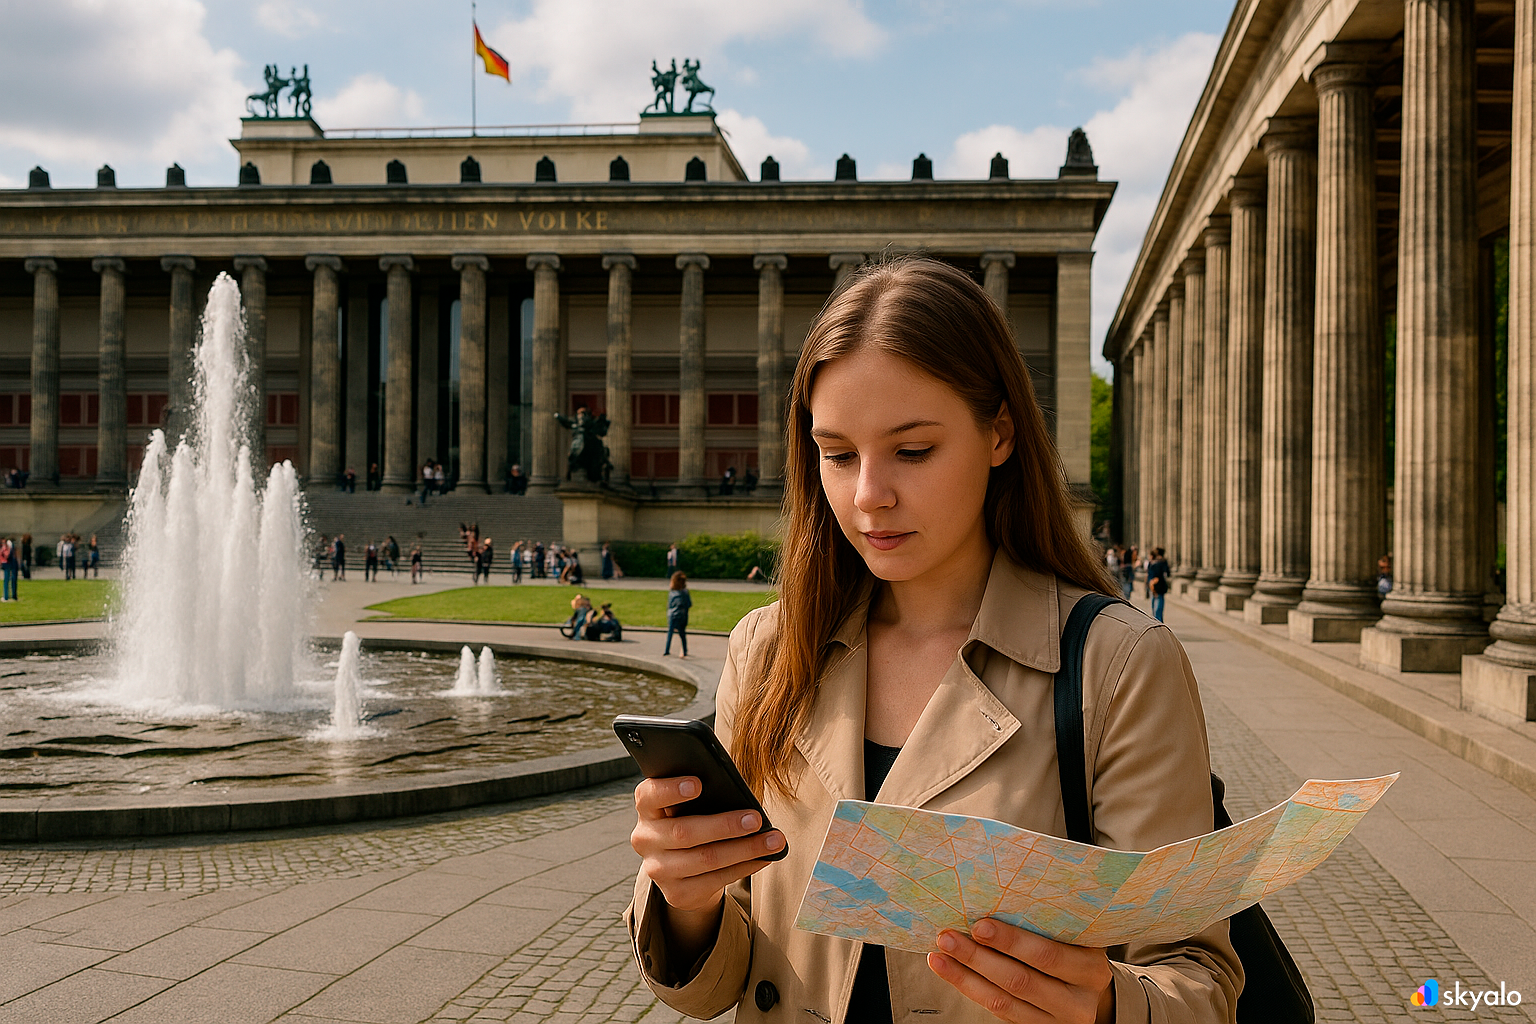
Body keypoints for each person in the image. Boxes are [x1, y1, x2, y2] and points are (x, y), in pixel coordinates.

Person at [624, 258, 1239, 1023]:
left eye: (912, 451)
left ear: (999, 435)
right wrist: (686, 897)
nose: (867, 494)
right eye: (838, 454)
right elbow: (715, 985)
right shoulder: (769, 648)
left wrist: (1109, 1006)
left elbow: (1198, 981)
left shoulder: (1118, 663)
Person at [662, 571, 691, 657]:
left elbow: (669, 605)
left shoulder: (672, 592)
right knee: (682, 634)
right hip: (682, 615)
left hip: (673, 616)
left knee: (670, 633)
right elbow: (688, 604)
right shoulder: (684, 592)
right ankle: (684, 650)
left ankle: (667, 650)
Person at [1146, 546, 1170, 622]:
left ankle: (1155, 620)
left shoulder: (1152, 563)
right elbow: (1167, 573)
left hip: (1153, 585)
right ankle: (1158, 621)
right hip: (1160, 586)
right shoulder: (1163, 562)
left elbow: (1149, 574)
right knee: (1159, 607)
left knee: (1154, 605)